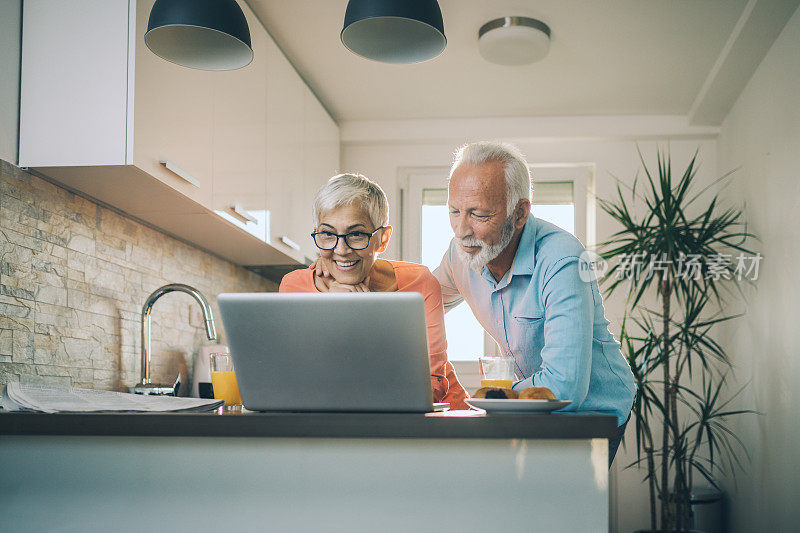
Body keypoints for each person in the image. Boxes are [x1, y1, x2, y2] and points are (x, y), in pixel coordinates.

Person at [433, 141, 636, 466]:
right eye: (454, 211)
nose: (461, 230)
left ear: (520, 213)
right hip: (532, 403)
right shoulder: (461, 252)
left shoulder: (563, 259)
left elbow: (563, 386)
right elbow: (422, 303)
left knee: (567, 512)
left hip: (593, 410)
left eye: (478, 214)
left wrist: (491, 394)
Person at [280, 173, 469, 410]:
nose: (341, 249)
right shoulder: (293, 287)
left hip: (443, 422)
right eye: (328, 234)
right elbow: (296, 384)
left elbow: (432, 388)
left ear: (383, 238)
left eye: (356, 234)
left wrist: (366, 319)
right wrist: (333, 315)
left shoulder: (420, 284)